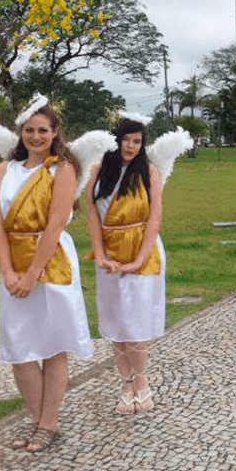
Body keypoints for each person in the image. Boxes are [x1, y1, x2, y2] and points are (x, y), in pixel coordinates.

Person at [0, 96, 94, 452]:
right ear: (21, 132)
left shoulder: (61, 168)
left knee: (53, 348)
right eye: (30, 130)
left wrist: (33, 273)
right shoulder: (5, 170)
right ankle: (36, 418)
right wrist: (7, 271)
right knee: (20, 349)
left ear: (55, 133)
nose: (36, 136)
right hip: (13, 263)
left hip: (51, 263)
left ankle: (48, 425)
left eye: (43, 130)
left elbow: (55, 225)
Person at [85, 115, 165, 415]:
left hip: (141, 249)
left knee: (135, 322)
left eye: (137, 141)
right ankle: (126, 382)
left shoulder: (148, 172)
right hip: (109, 254)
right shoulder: (97, 172)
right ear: (115, 139)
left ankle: (142, 381)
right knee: (117, 322)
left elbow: (155, 217)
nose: (130, 146)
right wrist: (100, 254)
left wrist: (139, 260)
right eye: (126, 139)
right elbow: (92, 216)